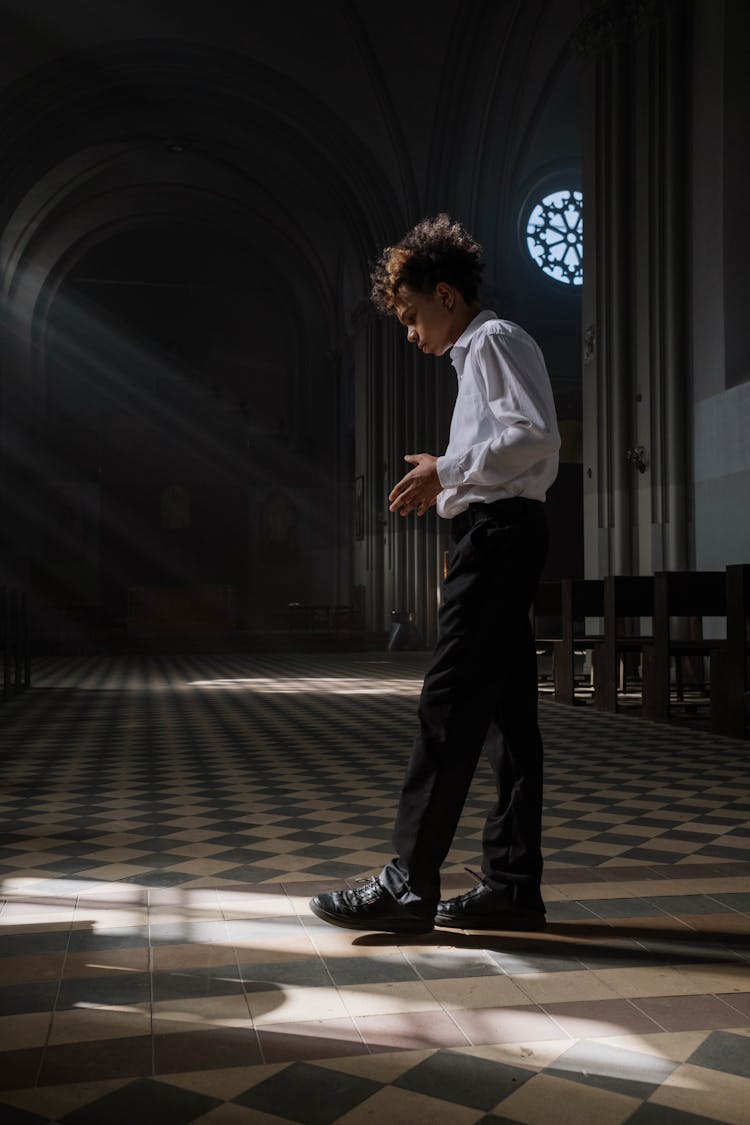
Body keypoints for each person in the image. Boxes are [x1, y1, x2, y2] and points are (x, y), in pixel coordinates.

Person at [310, 214, 560, 933]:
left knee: (447, 703)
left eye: (414, 316)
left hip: (500, 536)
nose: (412, 334)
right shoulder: (476, 353)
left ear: (446, 296)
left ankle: (407, 880)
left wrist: (446, 470)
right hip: (496, 532)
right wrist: (445, 480)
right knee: (510, 720)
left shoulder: (493, 341)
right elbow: (505, 447)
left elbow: (536, 437)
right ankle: (513, 884)